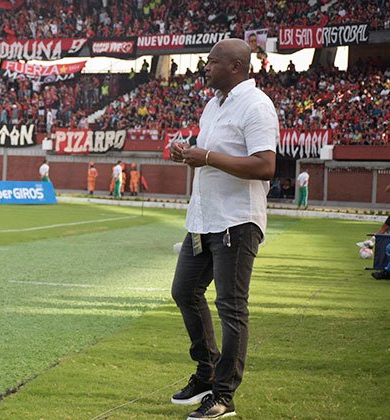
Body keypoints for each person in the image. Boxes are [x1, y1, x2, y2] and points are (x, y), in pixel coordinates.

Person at [169, 38, 278, 419]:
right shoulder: (213, 105)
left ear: (236, 66)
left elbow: (265, 166)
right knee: (184, 291)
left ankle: (223, 396)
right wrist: (189, 155)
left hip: (237, 220)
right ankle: (207, 370)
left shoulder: (257, 105)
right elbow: (209, 158)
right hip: (204, 218)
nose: (205, 67)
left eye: (212, 62)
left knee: (231, 307)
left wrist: (209, 157)